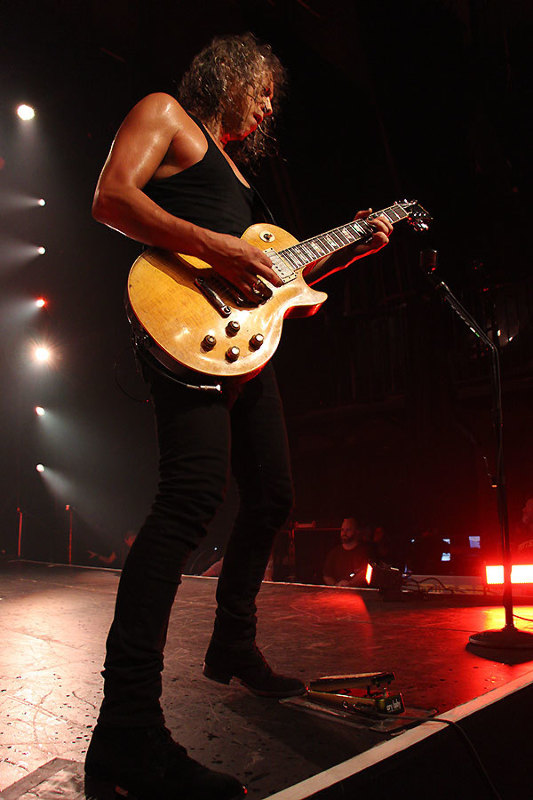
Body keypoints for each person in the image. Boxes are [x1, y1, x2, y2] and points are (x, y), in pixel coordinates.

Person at [84, 33, 393, 800]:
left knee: (273, 496)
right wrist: (216, 249)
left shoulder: (244, 186)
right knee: (188, 499)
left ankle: (232, 642)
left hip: (246, 348)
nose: (266, 105)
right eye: (261, 89)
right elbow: (111, 198)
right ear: (229, 74)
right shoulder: (166, 114)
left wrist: (353, 248)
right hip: (187, 325)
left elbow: (282, 280)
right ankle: (126, 731)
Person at [323, 517, 372, 587]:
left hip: (357, 591)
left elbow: (365, 572)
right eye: (342, 530)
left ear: (356, 531)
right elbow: (327, 575)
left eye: (348, 530)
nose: (344, 533)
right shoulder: (334, 552)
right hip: (337, 591)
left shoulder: (364, 552)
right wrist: (336, 585)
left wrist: (350, 584)